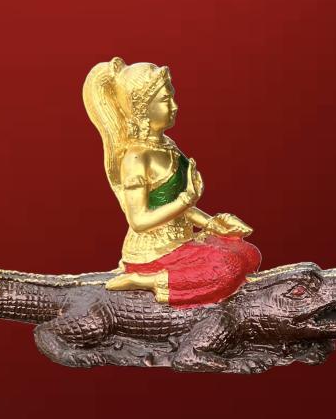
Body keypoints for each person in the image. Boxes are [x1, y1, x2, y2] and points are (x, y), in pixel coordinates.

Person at [83, 57, 261, 308]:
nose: (174, 106)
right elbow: (139, 221)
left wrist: (212, 224)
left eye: (172, 97)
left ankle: (188, 279)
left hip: (181, 242)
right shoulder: (136, 158)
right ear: (143, 109)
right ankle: (148, 280)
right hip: (153, 253)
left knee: (248, 254)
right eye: (165, 100)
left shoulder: (168, 146)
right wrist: (185, 200)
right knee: (227, 268)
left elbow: (178, 204)